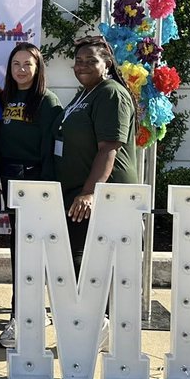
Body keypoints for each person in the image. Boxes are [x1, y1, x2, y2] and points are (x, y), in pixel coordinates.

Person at [0, 42, 62, 348]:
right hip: (9, 182)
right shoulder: (3, 98)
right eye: (16, 64)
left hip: (35, 182)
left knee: (28, 253)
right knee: (18, 250)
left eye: (28, 64)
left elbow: (52, 151)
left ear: (38, 69)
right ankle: (30, 310)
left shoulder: (47, 102)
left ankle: (19, 318)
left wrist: (46, 190)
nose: (21, 70)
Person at [57, 35, 139, 266]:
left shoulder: (110, 93)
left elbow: (108, 148)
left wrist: (89, 192)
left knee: (91, 270)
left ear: (107, 64)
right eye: (78, 60)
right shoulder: (85, 92)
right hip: (78, 193)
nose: (82, 65)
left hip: (102, 196)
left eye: (91, 60)